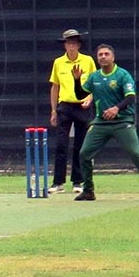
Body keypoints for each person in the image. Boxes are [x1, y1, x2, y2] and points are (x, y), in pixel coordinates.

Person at [72, 44, 139, 202]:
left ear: (113, 57)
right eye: (100, 54)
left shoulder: (122, 75)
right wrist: (77, 80)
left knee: (135, 153)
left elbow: (130, 97)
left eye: (106, 54)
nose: (103, 57)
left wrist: (116, 108)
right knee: (84, 153)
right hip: (101, 122)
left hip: (122, 122)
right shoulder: (94, 77)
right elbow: (80, 95)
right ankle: (88, 191)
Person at [47, 29, 96, 196]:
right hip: (65, 106)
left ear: (79, 45)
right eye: (69, 43)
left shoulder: (87, 61)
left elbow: (94, 83)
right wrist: (53, 110)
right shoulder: (58, 62)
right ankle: (58, 182)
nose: (72, 46)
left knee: (80, 145)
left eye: (74, 43)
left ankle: (77, 181)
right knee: (61, 144)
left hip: (82, 106)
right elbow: (55, 87)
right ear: (65, 45)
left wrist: (90, 98)